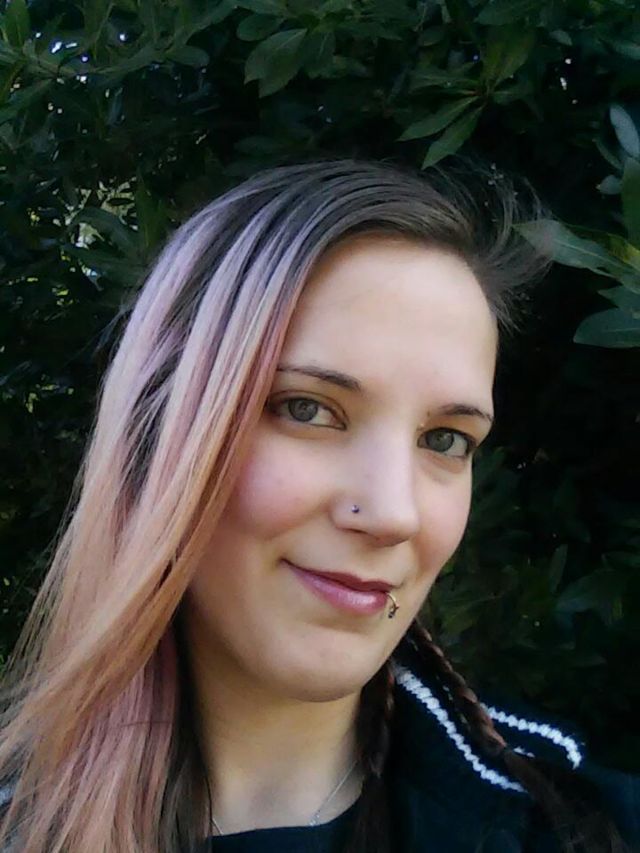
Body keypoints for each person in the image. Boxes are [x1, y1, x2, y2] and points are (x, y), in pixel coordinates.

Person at [0, 159, 637, 853]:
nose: (394, 513)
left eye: (445, 440)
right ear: (156, 434)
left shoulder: (572, 827)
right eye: (307, 409)